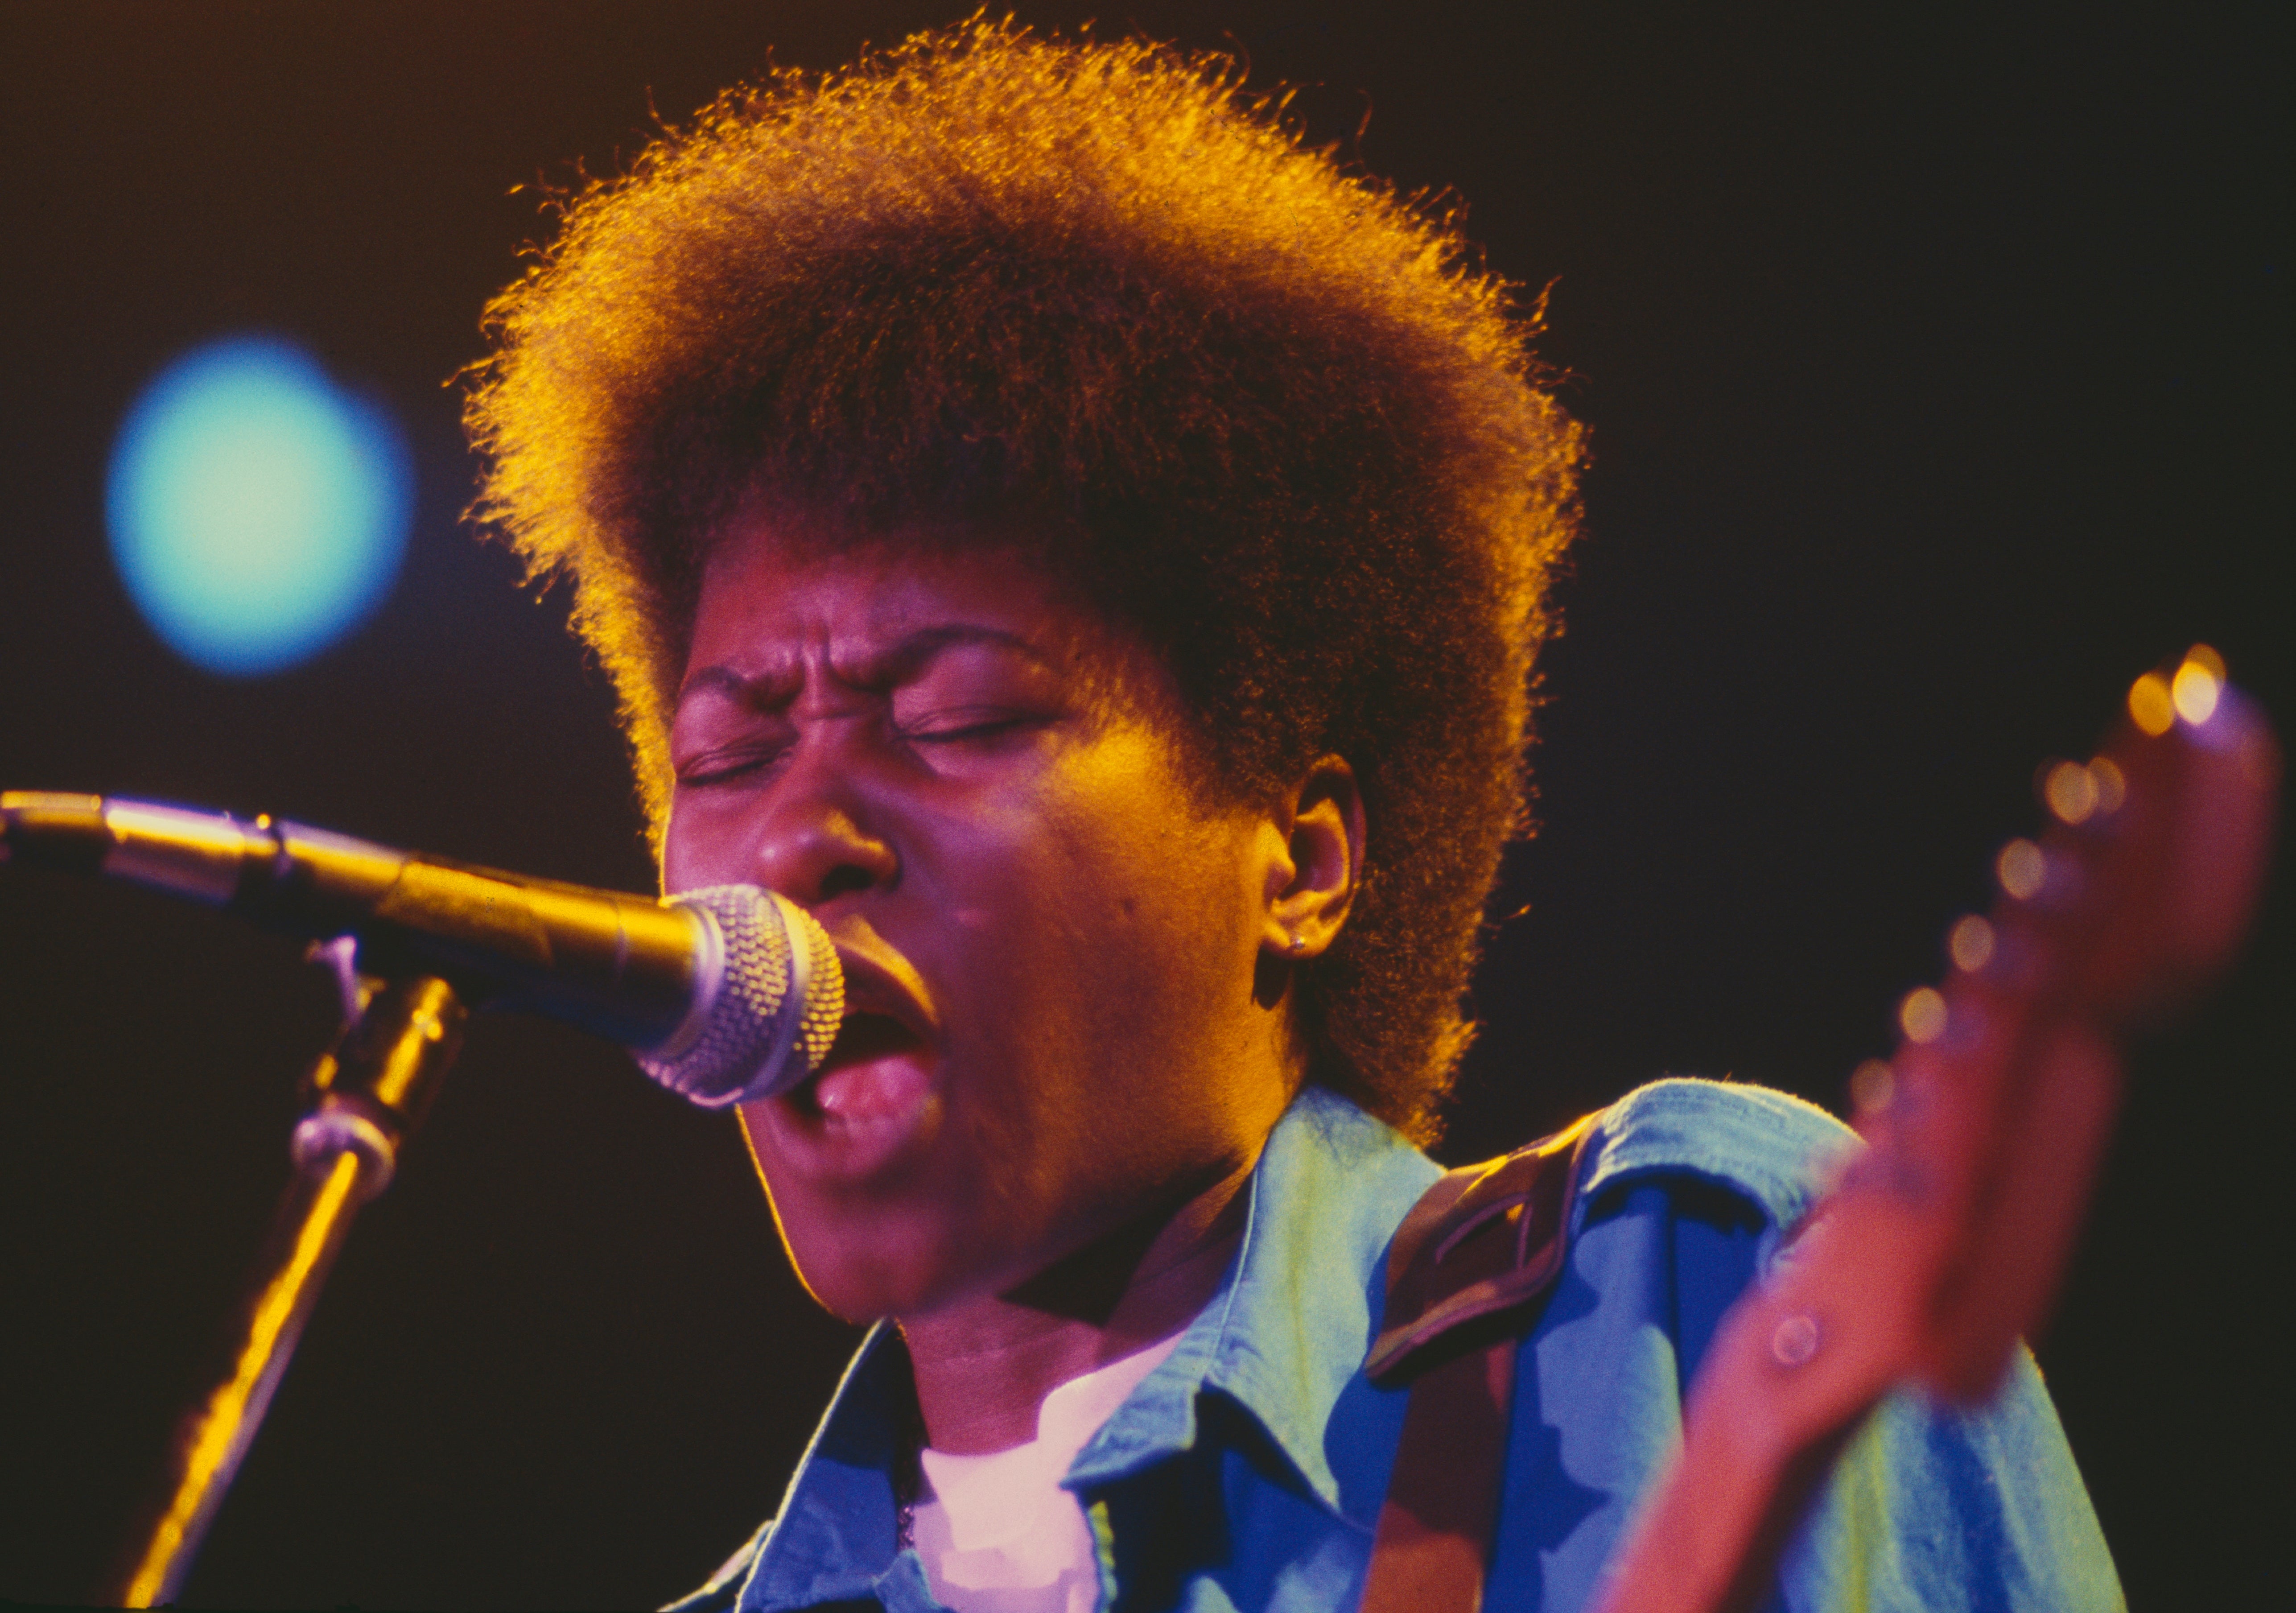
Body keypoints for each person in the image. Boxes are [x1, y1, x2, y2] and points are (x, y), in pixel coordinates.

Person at [464, 19, 2121, 1612]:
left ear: (1302, 860)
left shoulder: (1667, 1288)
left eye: (956, 715)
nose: (801, 837)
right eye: (732, 757)